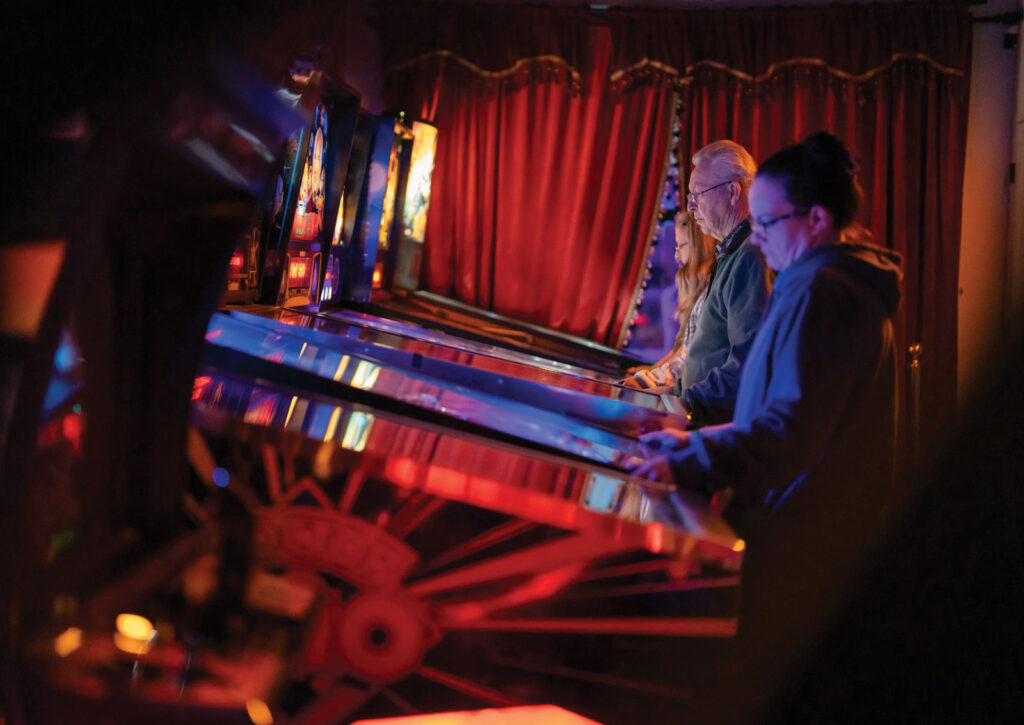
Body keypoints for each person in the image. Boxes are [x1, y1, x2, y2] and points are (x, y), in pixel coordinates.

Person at [632, 132, 903, 724]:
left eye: (767, 222)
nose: (754, 239)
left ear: (816, 219)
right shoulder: (824, 284)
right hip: (806, 530)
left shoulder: (826, 293)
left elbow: (788, 430)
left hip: (804, 538)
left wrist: (689, 457)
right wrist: (693, 439)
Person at [674, 140, 771, 426]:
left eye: (697, 194)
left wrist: (686, 406)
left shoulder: (751, 256)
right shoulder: (733, 252)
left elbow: (748, 364)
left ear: (733, 191)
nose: (690, 207)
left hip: (714, 426)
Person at [624, 211, 715, 390]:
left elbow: (687, 356)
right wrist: (653, 370)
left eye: (681, 246)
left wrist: (651, 376)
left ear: (698, 247)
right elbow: (681, 349)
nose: (676, 256)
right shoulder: (694, 289)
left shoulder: (709, 291)